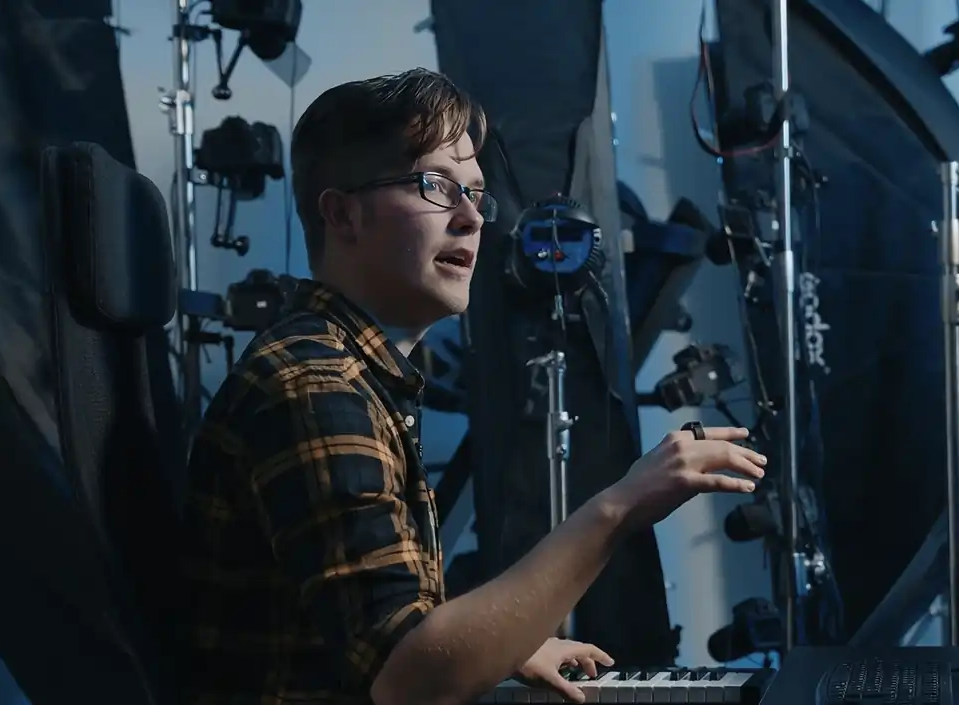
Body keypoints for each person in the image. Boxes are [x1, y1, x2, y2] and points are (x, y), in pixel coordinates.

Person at [166, 68, 766, 705]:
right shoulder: (317, 386)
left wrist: (505, 643)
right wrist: (621, 506)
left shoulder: (356, 373)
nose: (472, 218)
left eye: (477, 194)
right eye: (436, 186)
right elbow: (411, 682)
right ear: (343, 214)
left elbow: (379, 622)